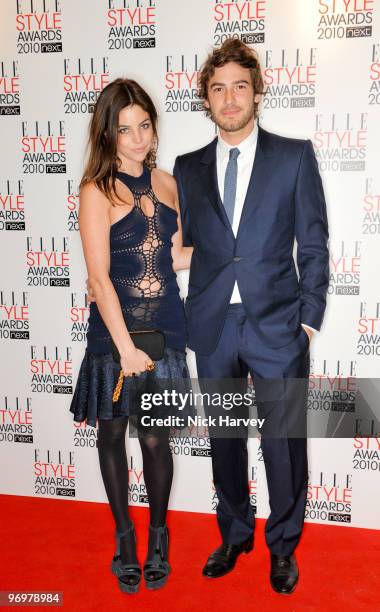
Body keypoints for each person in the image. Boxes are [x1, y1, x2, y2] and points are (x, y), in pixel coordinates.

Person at [173, 38, 329, 594]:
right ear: (206, 100)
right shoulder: (187, 168)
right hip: (214, 325)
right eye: (218, 89)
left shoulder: (293, 156)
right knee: (224, 438)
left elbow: (312, 244)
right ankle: (234, 533)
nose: (230, 98)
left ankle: (283, 546)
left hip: (277, 326)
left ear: (257, 94)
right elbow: (194, 245)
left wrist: (308, 318)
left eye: (240, 86)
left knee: (283, 444)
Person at [69, 78, 193, 594]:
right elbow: (99, 279)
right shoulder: (95, 190)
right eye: (125, 129)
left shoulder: (168, 183)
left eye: (144, 126)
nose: (138, 138)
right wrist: (124, 349)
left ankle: (158, 537)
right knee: (111, 435)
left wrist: (236, 260)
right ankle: (125, 537)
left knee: (155, 437)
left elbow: (177, 256)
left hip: (164, 326)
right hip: (115, 337)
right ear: (108, 134)